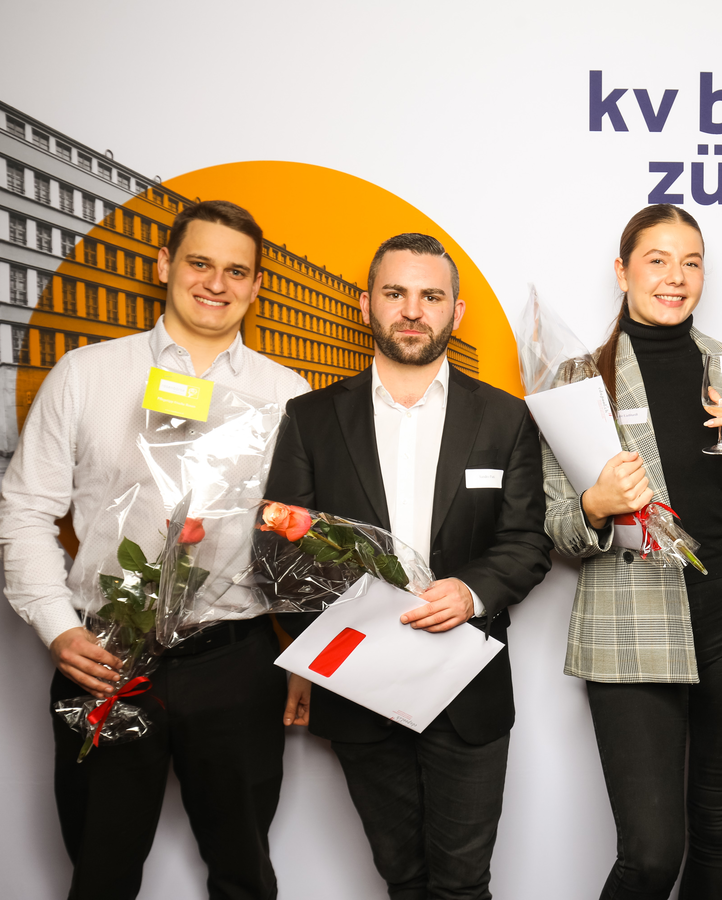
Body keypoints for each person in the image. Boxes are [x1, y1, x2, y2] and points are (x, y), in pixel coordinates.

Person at [0, 200, 310, 899]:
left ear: (256, 285)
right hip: (105, 656)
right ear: (164, 264)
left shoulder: (288, 394)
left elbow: (295, 540)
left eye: (236, 271)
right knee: (100, 873)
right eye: (200, 263)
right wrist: (59, 627)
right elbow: (25, 513)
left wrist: (300, 654)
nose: (216, 284)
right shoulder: (86, 374)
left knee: (245, 873)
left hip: (235, 661)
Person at [266, 233, 551, 900]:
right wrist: (328, 645)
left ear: (457, 311)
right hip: (358, 687)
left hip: (467, 686)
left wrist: (472, 591)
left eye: (431, 296)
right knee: (402, 878)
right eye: (395, 293)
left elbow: (526, 542)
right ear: (367, 304)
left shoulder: (505, 419)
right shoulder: (310, 419)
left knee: (462, 885)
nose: (413, 310)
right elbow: (280, 555)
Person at [542, 204, 722, 900]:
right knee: (650, 855)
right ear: (622, 272)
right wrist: (596, 504)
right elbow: (556, 527)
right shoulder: (576, 380)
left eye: (691, 262)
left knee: (719, 829)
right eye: (657, 260)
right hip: (631, 629)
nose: (675, 277)